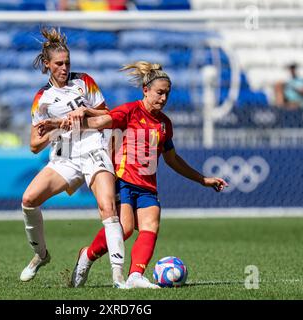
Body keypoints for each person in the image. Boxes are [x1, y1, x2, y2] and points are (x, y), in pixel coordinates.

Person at [51, 61, 228, 289]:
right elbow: (99, 121)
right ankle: (87, 255)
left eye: (167, 94)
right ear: (146, 90)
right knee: (124, 230)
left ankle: (136, 275)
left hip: (148, 185)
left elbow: (172, 159)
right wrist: (66, 123)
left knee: (150, 225)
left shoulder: (164, 125)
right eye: (159, 93)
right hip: (123, 181)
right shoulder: (130, 111)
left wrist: (203, 179)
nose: (163, 98)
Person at [19, 27, 126, 288]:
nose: (65, 68)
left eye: (67, 62)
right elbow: (34, 145)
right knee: (28, 200)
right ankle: (41, 255)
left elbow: (108, 119)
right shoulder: (42, 99)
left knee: (107, 207)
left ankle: (118, 276)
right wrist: (57, 128)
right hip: (64, 158)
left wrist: (83, 115)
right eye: (59, 64)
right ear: (47, 65)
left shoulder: (84, 82)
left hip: (93, 150)